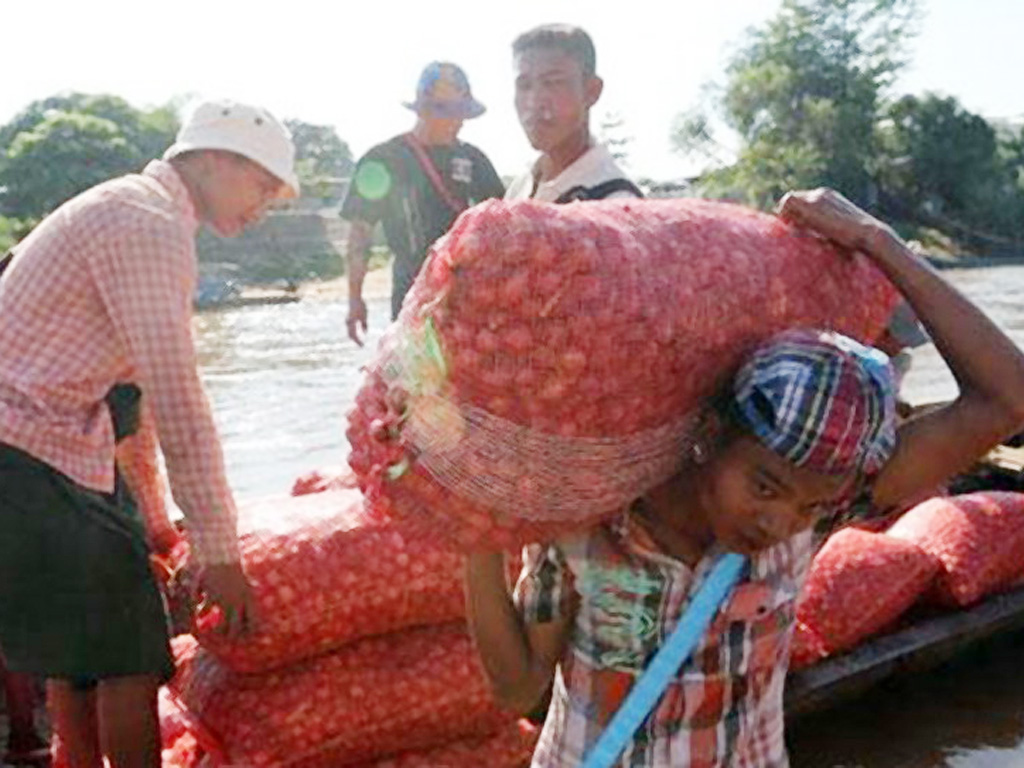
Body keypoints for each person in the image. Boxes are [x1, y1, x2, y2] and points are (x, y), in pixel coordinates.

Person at [464, 188, 1024, 767]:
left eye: (809, 507)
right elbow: (520, 688)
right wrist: (474, 537)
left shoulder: (818, 516)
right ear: (711, 433)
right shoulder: (590, 519)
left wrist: (875, 240)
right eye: (765, 486)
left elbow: (1007, 399)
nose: (780, 522)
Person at [0, 98, 299, 768]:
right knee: (131, 657)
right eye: (262, 185)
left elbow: (135, 407)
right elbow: (180, 400)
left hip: (40, 448)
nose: (264, 205)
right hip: (23, 450)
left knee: (78, 663)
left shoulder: (133, 208)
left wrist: (159, 521)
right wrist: (221, 555)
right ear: (215, 159)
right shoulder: (150, 223)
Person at [341, 62, 505, 343]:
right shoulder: (383, 160)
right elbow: (360, 234)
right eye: (450, 112)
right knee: (416, 379)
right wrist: (355, 299)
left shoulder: (474, 160)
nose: (459, 121)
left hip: (468, 295)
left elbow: (504, 225)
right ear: (425, 111)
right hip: (411, 293)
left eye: (462, 113)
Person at [505, 24, 642, 203]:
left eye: (553, 83)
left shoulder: (615, 201)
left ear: (591, 91)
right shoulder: (520, 189)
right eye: (524, 85)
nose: (534, 102)